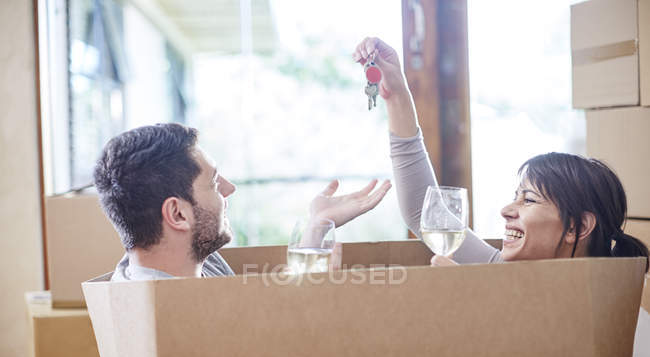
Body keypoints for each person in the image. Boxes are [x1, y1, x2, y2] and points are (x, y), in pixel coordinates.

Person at [353, 37, 648, 270]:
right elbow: (423, 210)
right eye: (516, 196)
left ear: (577, 226)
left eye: (529, 199)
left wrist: (480, 299)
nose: (506, 211)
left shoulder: (618, 310)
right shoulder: (499, 269)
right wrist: (398, 95)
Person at [93, 123, 392, 280]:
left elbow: (267, 309)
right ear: (178, 214)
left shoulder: (194, 264)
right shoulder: (164, 319)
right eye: (213, 182)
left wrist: (316, 227)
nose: (229, 189)